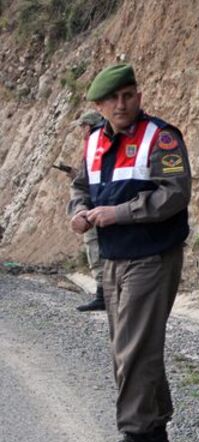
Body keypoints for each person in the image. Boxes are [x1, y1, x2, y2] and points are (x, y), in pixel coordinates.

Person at [67, 63, 192, 442]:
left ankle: (136, 439)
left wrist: (118, 213)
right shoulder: (93, 143)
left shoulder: (162, 137)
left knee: (133, 349)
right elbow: (80, 187)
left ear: (139, 96)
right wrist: (79, 212)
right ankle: (155, 437)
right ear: (99, 105)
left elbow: (173, 195)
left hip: (152, 256)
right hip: (112, 260)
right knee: (130, 346)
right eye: (112, 99)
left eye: (128, 95)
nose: (122, 104)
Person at [57, 111, 107, 311]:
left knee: (95, 247)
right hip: (93, 205)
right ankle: (104, 294)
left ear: (90, 126)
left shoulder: (99, 144)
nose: (81, 131)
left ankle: (104, 295)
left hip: (97, 206)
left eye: (83, 126)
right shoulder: (97, 144)